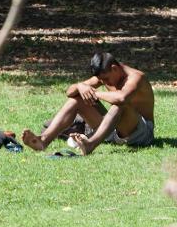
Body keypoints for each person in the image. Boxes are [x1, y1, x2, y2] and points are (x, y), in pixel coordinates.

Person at [21, 52, 155, 155]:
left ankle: (90, 144)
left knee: (119, 104)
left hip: (140, 133)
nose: (105, 82)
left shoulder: (136, 77)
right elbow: (69, 92)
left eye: (106, 79)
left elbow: (122, 98)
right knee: (77, 99)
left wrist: (94, 93)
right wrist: (80, 86)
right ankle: (43, 140)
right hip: (113, 128)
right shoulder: (104, 76)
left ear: (114, 68)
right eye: (102, 80)